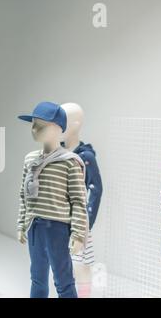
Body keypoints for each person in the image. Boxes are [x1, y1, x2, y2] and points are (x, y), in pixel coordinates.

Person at [17, 101, 88, 298]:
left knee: (63, 280)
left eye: (40, 125)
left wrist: (78, 234)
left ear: (57, 128)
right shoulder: (30, 159)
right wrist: (21, 224)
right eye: (32, 124)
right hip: (34, 226)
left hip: (58, 228)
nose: (33, 129)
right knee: (37, 277)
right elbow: (23, 196)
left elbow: (79, 201)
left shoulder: (70, 162)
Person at [61, 102, 103, 298]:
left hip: (78, 220)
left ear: (76, 124)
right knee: (62, 263)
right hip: (58, 218)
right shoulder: (56, 153)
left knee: (81, 264)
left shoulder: (85, 156)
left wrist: (86, 220)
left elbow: (96, 189)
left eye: (63, 121)